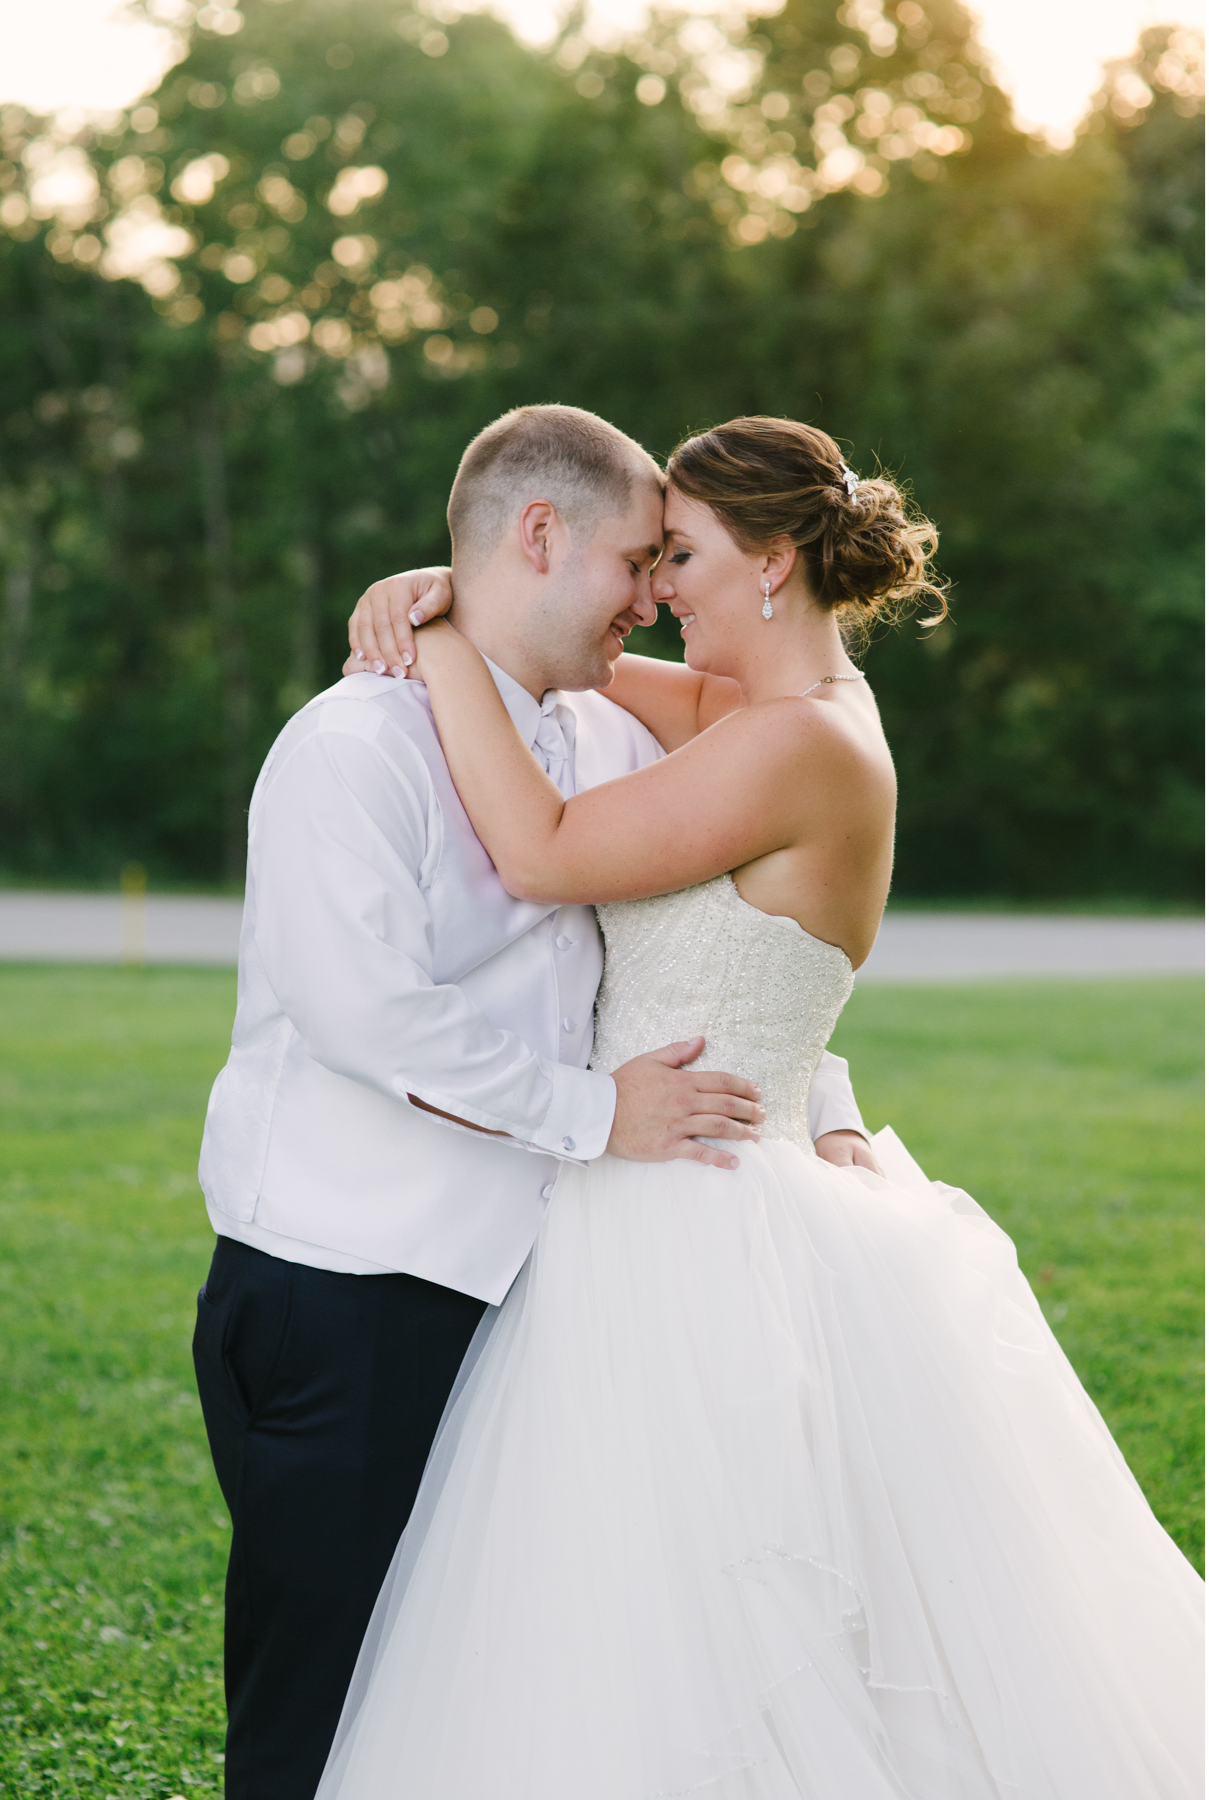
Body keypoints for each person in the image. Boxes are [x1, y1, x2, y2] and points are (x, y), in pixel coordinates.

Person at [321, 416, 1202, 1795]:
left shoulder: (800, 746)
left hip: (701, 1221)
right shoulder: (754, 716)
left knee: (714, 1614)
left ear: (774, 560)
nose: (657, 584)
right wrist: (449, 591)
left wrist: (430, 645)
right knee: (619, 1609)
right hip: (650, 1190)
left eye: (678, 554)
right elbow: (584, 671)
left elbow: (545, 853)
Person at [191, 405, 880, 1800]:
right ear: (538, 536)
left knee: (513, 1695)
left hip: (548, 1290)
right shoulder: (352, 746)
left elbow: (716, 955)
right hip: (356, 1286)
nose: (647, 594)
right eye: (639, 558)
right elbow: (361, 1017)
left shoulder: (610, 735)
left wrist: (817, 1099)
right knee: (322, 1701)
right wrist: (592, 1116)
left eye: (670, 559)